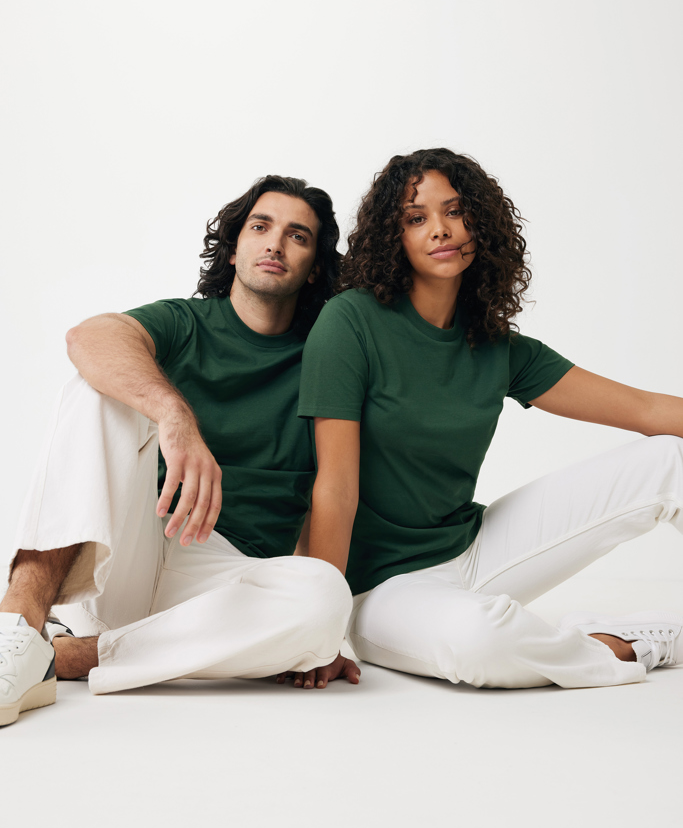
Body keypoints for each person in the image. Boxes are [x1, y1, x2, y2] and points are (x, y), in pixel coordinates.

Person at [296, 148, 683, 690]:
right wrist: (322, 631)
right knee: (480, 644)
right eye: (416, 218)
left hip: (473, 550)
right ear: (394, 237)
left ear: (480, 222)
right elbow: (335, 489)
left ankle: (533, 638)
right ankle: (623, 644)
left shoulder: (495, 345)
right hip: (380, 589)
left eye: (455, 211)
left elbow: (646, 410)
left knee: (671, 459)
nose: (440, 229)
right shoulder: (351, 323)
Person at [0, 175, 358, 728]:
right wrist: (174, 414)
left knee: (326, 596)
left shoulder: (326, 356)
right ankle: (18, 628)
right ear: (234, 247)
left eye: (297, 236)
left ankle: (70, 656)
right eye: (260, 227)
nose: (275, 244)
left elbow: (331, 492)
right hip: (143, 543)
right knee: (96, 389)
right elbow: (88, 337)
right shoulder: (187, 322)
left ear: (314, 265)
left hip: (227, 584)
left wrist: (328, 636)